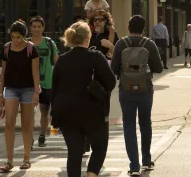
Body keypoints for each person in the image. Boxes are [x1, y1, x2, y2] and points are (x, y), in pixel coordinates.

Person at [51, 21, 116, 177]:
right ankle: (91, 174)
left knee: (74, 151)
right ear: (88, 37)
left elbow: (55, 88)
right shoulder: (95, 56)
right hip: (92, 111)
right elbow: (111, 82)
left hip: (66, 112)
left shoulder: (62, 60)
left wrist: (53, 112)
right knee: (99, 147)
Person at [111, 15, 164, 176]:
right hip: (145, 90)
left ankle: (134, 165)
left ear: (128, 27)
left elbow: (113, 69)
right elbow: (159, 68)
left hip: (126, 90)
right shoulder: (149, 44)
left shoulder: (121, 44)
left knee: (128, 125)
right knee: (145, 123)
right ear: (143, 28)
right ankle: (146, 159)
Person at [0, 21, 40, 172]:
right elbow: (3, 72)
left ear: (24, 36)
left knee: (26, 125)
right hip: (11, 89)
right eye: (13, 37)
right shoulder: (6, 49)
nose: (15, 40)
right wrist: (0, 93)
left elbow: (35, 73)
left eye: (19, 37)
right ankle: (9, 161)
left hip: (28, 89)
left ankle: (26, 158)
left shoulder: (31, 49)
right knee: (9, 123)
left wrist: (36, 93)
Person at [27, 16, 59, 148]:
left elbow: (57, 62)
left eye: (39, 27)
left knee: (44, 111)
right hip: (29, 84)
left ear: (43, 28)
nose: (36, 29)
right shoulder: (26, 44)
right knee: (28, 112)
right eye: (34, 27)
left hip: (47, 83)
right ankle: (29, 139)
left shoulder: (49, 43)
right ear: (30, 28)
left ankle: (42, 135)